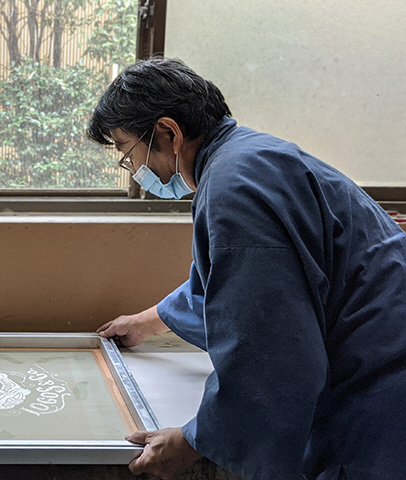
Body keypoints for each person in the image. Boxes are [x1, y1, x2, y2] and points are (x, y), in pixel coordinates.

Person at [87, 57, 406, 480]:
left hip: (379, 394)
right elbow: (230, 284)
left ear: (168, 133)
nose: (137, 171)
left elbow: (270, 351)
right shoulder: (251, 158)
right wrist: (147, 322)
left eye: (129, 153)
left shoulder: (232, 190)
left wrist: (190, 442)